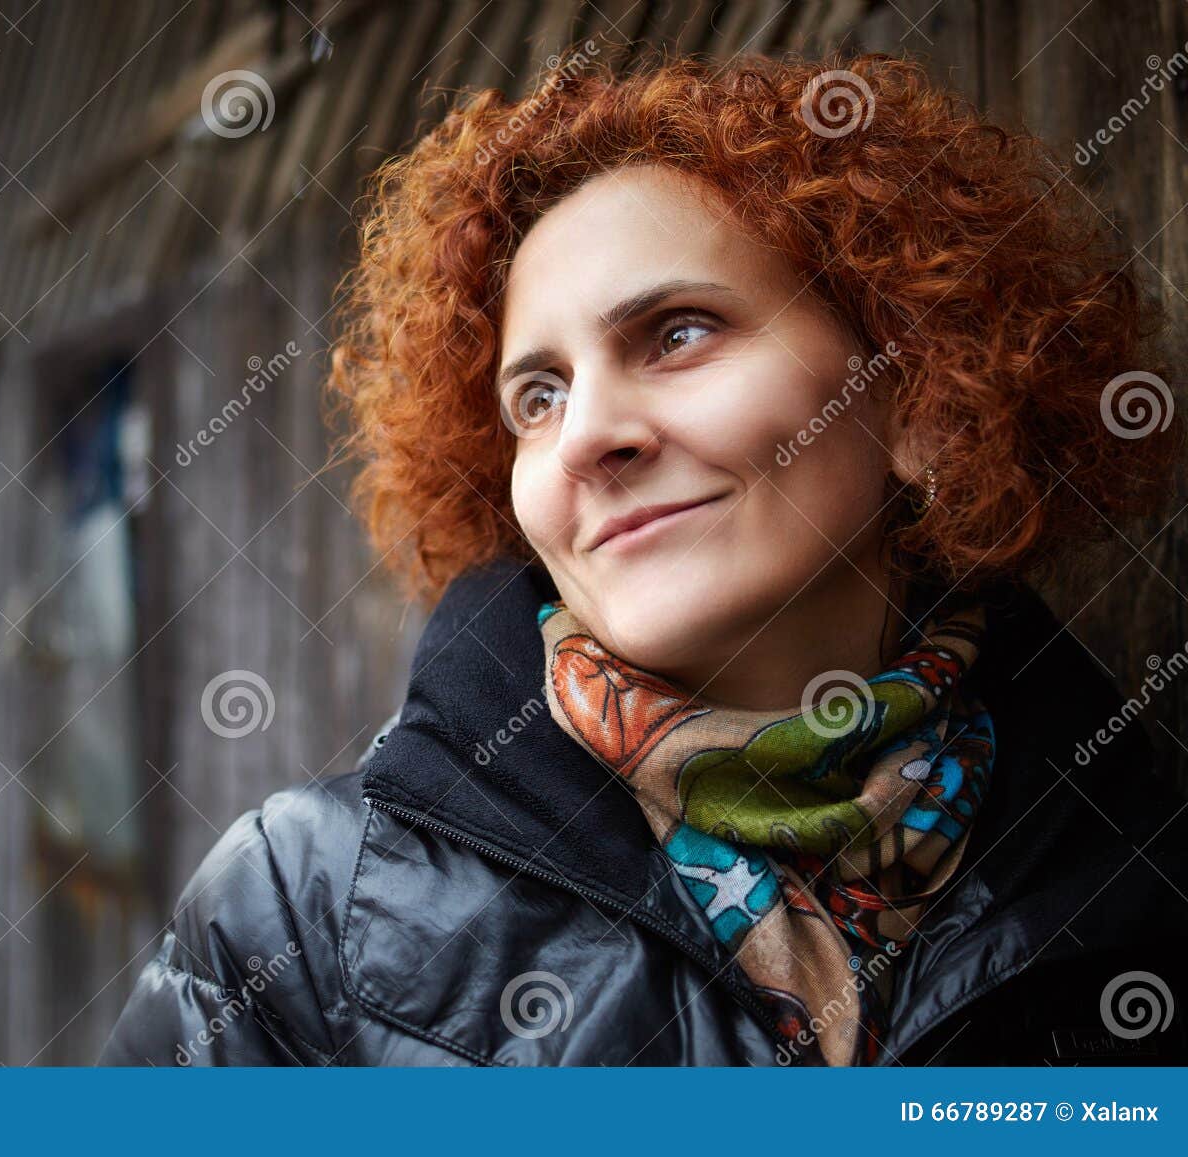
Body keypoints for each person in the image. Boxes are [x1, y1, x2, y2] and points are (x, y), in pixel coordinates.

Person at [100, 51, 1188, 1066]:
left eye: (675, 333)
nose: (583, 436)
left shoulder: (1140, 864)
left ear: (916, 400)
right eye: (537, 395)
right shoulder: (299, 909)